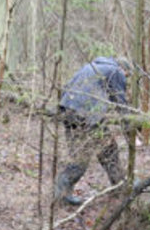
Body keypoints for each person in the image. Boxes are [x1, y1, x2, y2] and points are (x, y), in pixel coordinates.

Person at [56, 56, 130, 205]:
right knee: (82, 155)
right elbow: (121, 102)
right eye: (127, 76)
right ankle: (61, 194)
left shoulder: (90, 66)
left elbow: (66, 88)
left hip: (68, 110)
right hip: (86, 114)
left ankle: (120, 185)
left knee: (108, 148)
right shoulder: (116, 71)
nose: (125, 79)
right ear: (124, 69)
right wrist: (130, 126)